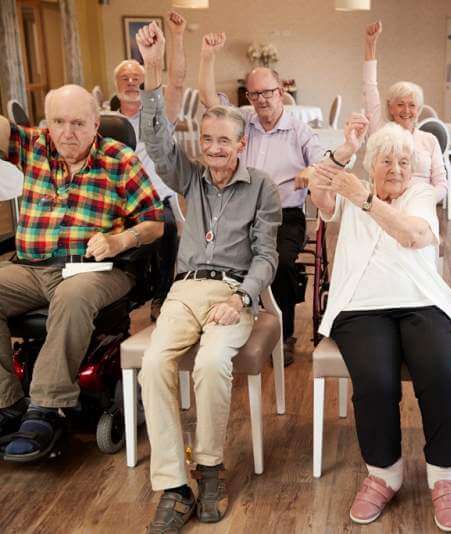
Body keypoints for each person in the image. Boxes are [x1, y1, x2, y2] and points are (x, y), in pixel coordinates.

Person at [135, 22, 282, 532]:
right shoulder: (190, 177)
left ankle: (211, 467)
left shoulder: (261, 187)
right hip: (185, 289)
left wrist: (242, 297)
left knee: (214, 361)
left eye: (226, 141)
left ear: (241, 146)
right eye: (209, 139)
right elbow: (155, 142)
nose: (216, 148)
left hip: (232, 290)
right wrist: (153, 74)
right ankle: (174, 486)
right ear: (202, 142)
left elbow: (267, 256)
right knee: (154, 364)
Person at [310, 123, 451, 532]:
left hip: (421, 300)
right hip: (360, 307)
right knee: (376, 382)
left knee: (443, 375)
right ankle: (384, 473)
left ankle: (445, 478)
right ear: (371, 165)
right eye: (386, 160)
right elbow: (319, 190)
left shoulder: (420, 194)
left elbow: (412, 235)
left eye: (403, 161)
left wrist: (365, 200)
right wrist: (344, 149)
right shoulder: (350, 190)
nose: (395, 168)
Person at [0, 85, 163, 461]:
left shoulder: (118, 159)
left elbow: (155, 223)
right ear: (46, 123)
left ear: (95, 124)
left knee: (72, 296)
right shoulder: (34, 146)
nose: (67, 132)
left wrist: (120, 240)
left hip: (98, 269)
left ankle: (46, 408)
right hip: (32, 268)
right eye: (58, 122)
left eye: (77, 123)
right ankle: (8, 403)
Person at [198, 32, 368, 364]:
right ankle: (229, 326)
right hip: (238, 211)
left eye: (268, 93)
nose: (262, 100)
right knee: (215, 259)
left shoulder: (299, 130)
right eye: (255, 93)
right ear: (249, 96)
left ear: (282, 92)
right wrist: (207, 56)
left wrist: (312, 172)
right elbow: (208, 99)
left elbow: (324, 162)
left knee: (281, 264)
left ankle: (283, 332)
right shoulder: (241, 121)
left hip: (283, 216)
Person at [112, 10, 189, 314]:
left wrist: (178, 37)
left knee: (166, 226)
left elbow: (178, 82)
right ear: (115, 83)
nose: (131, 83)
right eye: (125, 78)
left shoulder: (159, 116)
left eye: (137, 78)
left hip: (155, 199)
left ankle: (163, 293)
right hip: (116, 201)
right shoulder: (104, 122)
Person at [362, 21, 448, 203]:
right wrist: (370, 45)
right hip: (386, 204)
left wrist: (425, 199)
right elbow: (370, 87)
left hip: (420, 205)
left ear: (419, 110)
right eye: (400, 104)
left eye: (412, 105)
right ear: (390, 107)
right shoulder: (381, 131)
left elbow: (442, 184)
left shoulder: (429, 141)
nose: (406, 110)